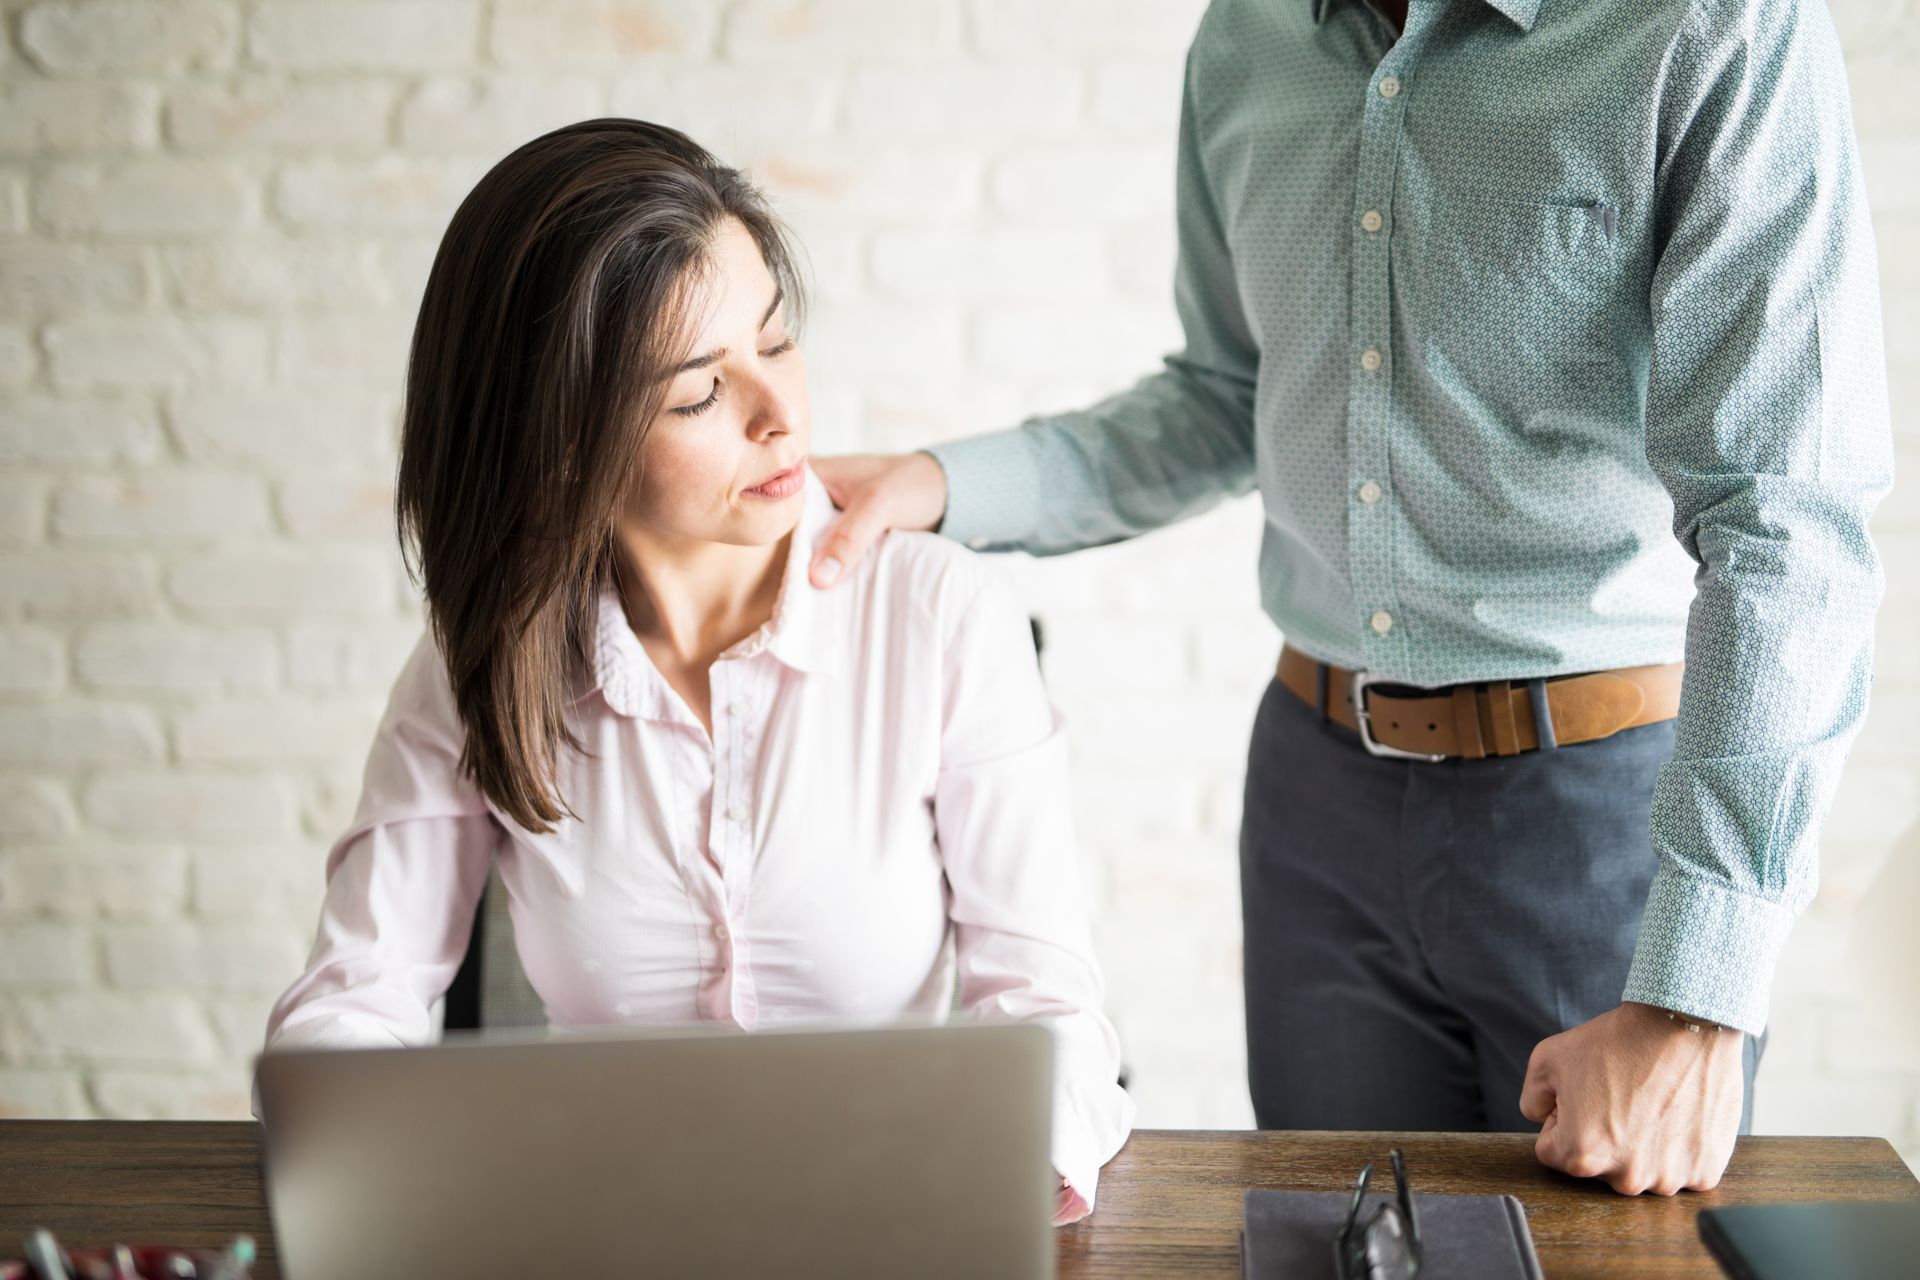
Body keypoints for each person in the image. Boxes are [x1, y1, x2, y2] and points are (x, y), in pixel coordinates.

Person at [806, 0, 1892, 1197]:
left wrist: (1698, 993)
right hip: (1319, 804)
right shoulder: (1246, 41)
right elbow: (1226, 394)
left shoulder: (1708, 29)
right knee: (1330, 1242)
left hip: (1602, 815)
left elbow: (1786, 523)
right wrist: (945, 484)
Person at [260, 118, 1134, 1224]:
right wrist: (361, 1157)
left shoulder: (941, 615)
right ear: (565, 439)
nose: (782, 417)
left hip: (898, 1221)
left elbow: (1051, 1010)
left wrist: (996, 1178)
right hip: (601, 1227)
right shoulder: (480, 659)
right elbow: (354, 1006)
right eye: (698, 394)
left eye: (774, 342)